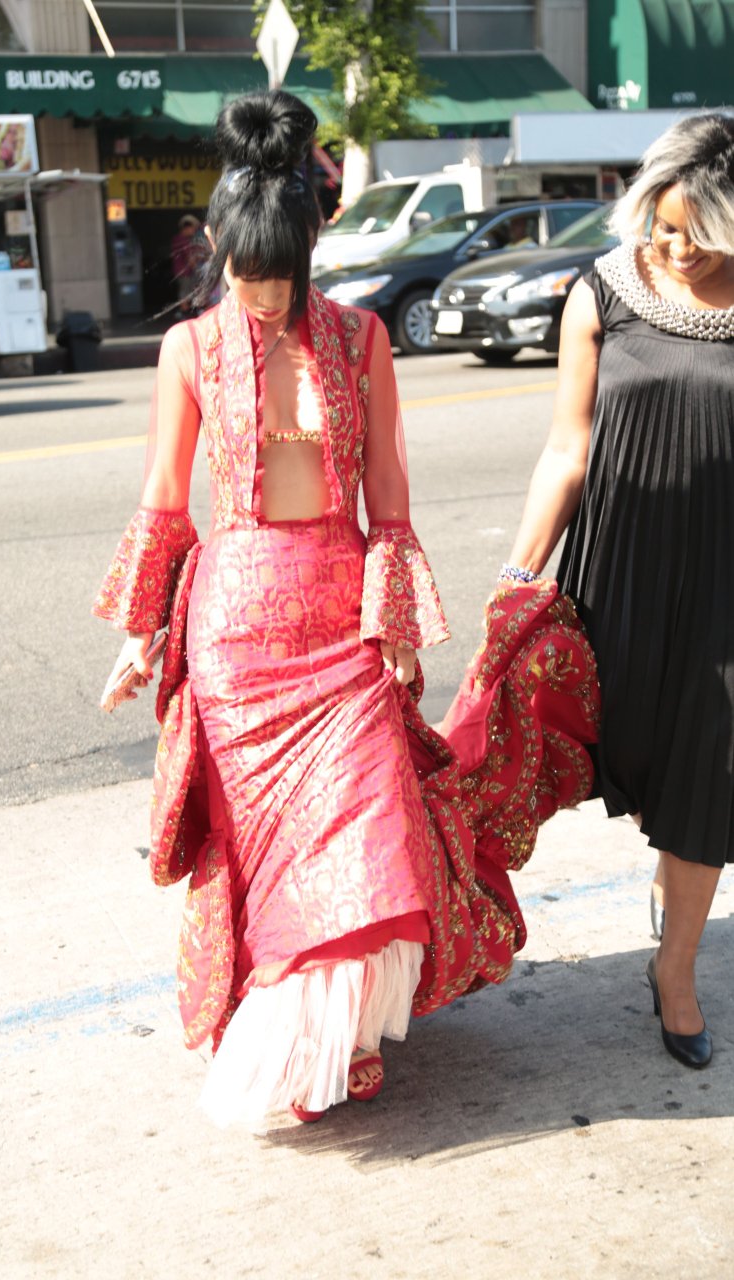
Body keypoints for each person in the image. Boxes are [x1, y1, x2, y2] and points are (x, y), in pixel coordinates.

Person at [94, 90, 597, 1130]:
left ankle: (336, 1038)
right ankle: (308, 1047)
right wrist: (144, 636)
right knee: (274, 856)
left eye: (278, 273)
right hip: (234, 643)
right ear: (218, 251)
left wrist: (395, 628)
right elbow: (163, 501)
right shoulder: (188, 349)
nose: (261, 294)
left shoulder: (361, 337)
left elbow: (389, 505)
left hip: (341, 625)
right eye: (244, 272)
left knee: (367, 833)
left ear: (307, 254)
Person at [504, 112, 734, 1070]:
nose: (672, 247)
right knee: (633, 752)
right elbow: (567, 448)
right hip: (622, 570)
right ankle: (668, 869)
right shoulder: (603, 289)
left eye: (695, 232)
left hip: (724, 585)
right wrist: (519, 573)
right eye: (661, 225)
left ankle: (674, 972)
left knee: (710, 775)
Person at [170, 213, 207, 313]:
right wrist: (198, 270)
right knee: (185, 293)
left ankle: (185, 311)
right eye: (193, 228)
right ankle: (184, 312)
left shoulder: (182, 239)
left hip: (185, 271)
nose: (194, 231)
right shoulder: (181, 240)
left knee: (187, 292)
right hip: (184, 272)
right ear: (187, 227)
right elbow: (190, 258)